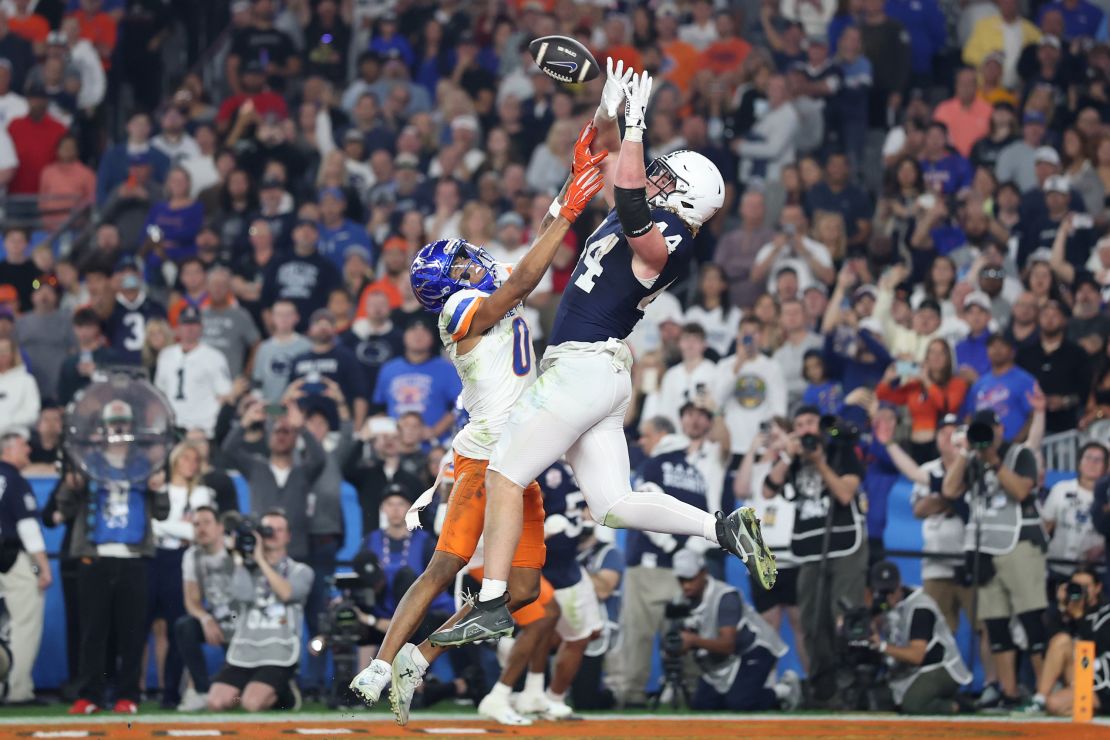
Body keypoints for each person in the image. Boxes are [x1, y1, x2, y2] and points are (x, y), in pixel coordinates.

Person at [346, 120, 605, 723]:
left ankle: (423, 653)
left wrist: (576, 178)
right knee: (445, 565)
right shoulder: (460, 310)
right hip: (487, 455)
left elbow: (540, 245)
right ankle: (381, 663)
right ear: (447, 288)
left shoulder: (482, 289)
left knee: (520, 594)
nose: (471, 264)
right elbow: (522, 279)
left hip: (525, 456)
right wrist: (566, 212)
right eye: (460, 266)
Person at [57, 400, 170, 715]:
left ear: (131, 428)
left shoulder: (145, 463)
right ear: (103, 427)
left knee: (132, 631)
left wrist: (159, 489)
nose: (118, 428)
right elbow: (65, 509)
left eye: (123, 423)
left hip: (133, 556)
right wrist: (69, 488)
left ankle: (127, 695)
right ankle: (89, 694)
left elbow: (162, 512)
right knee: (93, 630)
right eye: (113, 422)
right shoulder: (86, 463)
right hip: (95, 553)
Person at [761, 404, 867, 704]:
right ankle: (823, 688)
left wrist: (820, 462)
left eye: (810, 423)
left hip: (845, 545)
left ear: (821, 426)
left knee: (845, 617)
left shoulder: (840, 450)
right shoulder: (794, 459)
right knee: (812, 621)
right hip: (809, 549)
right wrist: (787, 456)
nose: (806, 429)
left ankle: (850, 686)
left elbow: (846, 494)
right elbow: (768, 491)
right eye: (800, 424)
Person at [942, 408, 1047, 709]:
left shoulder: (1019, 454)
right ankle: (1009, 693)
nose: (985, 438)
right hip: (985, 550)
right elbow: (949, 490)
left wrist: (995, 462)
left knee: (1031, 622)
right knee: (996, 626)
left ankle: (1043, 692)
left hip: (1020, 545)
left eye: (988, 431)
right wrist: (964, 453)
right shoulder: (972, 460)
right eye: (979, 432)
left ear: (1000, 429)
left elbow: (1022, 491)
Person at [621, 415, 709, 707]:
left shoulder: (653, 466)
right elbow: (704, 520)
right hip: (686, 571)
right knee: (682, 634)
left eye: (645, 436)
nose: (641, 442)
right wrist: (689, 554)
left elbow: (646, 513)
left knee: (639, 634)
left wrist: (671, 546)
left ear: (661, 434)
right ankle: (692, 693)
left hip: (650, 566)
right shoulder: (695, 473)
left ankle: (632, 694)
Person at [206, 511, 314, 713]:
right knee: (216, 702)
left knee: (252, 704)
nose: (272, 534)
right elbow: (242, 596)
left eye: (279, 530)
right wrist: (240, 558)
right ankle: (246, 691)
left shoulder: (301, 571)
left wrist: (261, 560)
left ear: (288, 536)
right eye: (268, 530)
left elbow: (286, 593)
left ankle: (285, 695)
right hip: (246, 652)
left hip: (278, 653)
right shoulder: (247, 567)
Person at [671, 549, 801, 712]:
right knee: (702, 704)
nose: (686, 585)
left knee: (740, 703)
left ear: (703, 572)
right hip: (723, 659)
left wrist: (692, 641)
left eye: (690, 579)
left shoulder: (724, 597)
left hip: (754, 648)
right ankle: (741, 693)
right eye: (681, 580)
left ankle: (782, 692)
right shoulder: (681, 601)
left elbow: (728, 644)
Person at [148, 441, 214, 709]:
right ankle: (144, 688)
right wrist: (174, 528)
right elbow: (149, 525)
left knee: (178, 626)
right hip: (154, 559)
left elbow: (193, 533)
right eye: (185, 458)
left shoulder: (201, 493)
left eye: (195, 459)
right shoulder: (158, 489)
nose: (190, 464)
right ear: (175, 460)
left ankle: (173, 691)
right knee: (150, 627)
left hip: (181, 560)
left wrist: (162, 526)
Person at [220, 399, 325, 563]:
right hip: (261, 551)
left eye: (286, 432)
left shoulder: (303, 472)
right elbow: (228, 450)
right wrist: (246, 422)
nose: (281, 436)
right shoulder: (256, 467)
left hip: (296, 553)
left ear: (295, 438)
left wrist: (301, 427)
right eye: (277, 432)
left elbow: (319, 459)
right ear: (268, 437)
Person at [865, 560, 972, 714]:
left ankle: (956, 705)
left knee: (913, 705)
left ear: (899, 585)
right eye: (882, 592)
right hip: (908, 670)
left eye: (890, 591)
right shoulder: (881, 605)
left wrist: (881, 646)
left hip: (939, 667)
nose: (887, 597)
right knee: (877, 699)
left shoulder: (920, 608)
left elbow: (917, 656)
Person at [0, 429, 50, 705]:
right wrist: (43, 566)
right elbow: (28, 527)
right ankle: (18, 690)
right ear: (7, 450)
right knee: (23, 623)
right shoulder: (15, 480)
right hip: (9, 556)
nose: (29, 450)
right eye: (23, 446)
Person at [176, 506, 235, 712]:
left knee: (240, 694)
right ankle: (201, 690)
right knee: (185, 626)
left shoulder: (234, 551)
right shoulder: (192, 556)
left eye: (207, 523)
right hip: (217, 618)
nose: (201, 529)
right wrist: (205, 619)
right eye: (196, 524)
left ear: (220, 527)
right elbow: (191, 600)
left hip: (242, 620)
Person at [154, 306, 232, 438]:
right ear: (178, 328)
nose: (190, 328)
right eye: (186, 323)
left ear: (201, 327)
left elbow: (225, 395)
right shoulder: (166, 355)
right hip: (173, 428)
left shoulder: (214, 356)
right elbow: (159, 393)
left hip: (203, 429)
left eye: (194, 324)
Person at [1042, 442, 1108, 589]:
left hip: (1095, 570)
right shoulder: (1060, 489)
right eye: (1088, 458)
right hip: (1058, 565)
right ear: (1079, 462)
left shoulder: (1106, 496)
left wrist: (1102, 548)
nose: (1092, 463)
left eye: (1098, 460)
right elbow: (1046, 526)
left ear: (1106, 466)